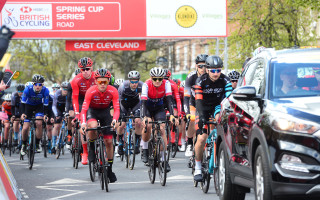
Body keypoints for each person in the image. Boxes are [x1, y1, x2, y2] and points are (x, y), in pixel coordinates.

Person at [193, 55, 232, 181]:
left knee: (220, 120)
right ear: (207, 70)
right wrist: (202, 116)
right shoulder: (200, 81)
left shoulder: (225, 80)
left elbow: (229, 100)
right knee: (202, 137)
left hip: (217, 106)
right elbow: (198, 102)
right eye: (213, 71)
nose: (216, 73)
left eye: (218, 70)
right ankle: (198, 166)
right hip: (203, 107)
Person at [80, 68, 120, 183]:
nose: (102, 84)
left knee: (108, 141)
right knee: (92, 126)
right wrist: (83, 123)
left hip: (105, 113)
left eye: (105, 82)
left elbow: (117, 109)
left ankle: (110, 169)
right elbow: (84, 110)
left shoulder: (113, 91)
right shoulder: (90, 91)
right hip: (92, 112)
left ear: (108, 81)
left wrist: (115, 120)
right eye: (100, 82)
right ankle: (92, 147)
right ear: (96, 81)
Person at [140, 67, 178, 172]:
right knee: (148, 125)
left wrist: (171, 115)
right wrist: (143, 117)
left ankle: (163, 160)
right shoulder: (146, 85)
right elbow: (143, 103)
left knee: (162, 129)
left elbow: (170, 100)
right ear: (151, 78)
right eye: (155, 79)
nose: (157, 81)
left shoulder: (166, 84)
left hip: (159, 108)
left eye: (160, 79)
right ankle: (145, 148)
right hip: (147, 108)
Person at [71, 57, 96, 165]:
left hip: (94, 99)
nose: (85, 71)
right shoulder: (76, 80)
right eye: (83, 69)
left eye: (87, 69)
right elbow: (75, 98)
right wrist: (77, 114)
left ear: (92, 68)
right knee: (83, 125)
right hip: (82, 100)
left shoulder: (97, 77)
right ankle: (85, 152)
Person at [184, 54, 208, 158]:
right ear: (196, 66)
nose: (203, 69)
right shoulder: (191, 77)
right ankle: (189, 143)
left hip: (206, 103)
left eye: (206, 66)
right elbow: (186, 97)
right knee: (192, 119)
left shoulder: (211, 76)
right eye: (200, 66)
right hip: (193, 103)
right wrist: (187, 113)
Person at [20, 74, 49, 156]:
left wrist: (45, 115)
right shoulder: (27, 90)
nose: (38, 86)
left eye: (40, 84)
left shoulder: (45, 91)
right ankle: (24, 144)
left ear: (42, 85)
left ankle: (37, 143)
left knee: (39, 123)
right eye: (36, 84)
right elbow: (22, 103)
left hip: (38, 107)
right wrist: (22, 113)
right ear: (33, 84)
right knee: (25, 127)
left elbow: (46, 105)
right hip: (28, 106)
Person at [116, 71, 143, 155]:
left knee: (138, 122)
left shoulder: (142, 86)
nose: (134, 84)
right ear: (129, 81)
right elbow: (117, 100)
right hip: (124, 104)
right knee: (122, 124)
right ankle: (120, 143)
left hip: (135, 104)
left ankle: (137, 143)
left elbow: (144, 100)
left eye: (136, 81)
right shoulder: (123, 86)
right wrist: (119, 112)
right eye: (132, 81)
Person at [65, 68, 81, 148]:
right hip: (73, 102)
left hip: (83, 102)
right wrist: (68, 110)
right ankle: (69, 134)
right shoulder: (71, 84)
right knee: (70, 117)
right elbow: (68, 99)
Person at [51, 82, 68, 154]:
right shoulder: (57, 93)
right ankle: (54, 144)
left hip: (65, 108)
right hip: (58, 108)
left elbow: (71, 105)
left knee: (66, 124)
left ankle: (64, 139)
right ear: (61, 88)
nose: (65, 90)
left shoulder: (69, 94)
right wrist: (56, 114)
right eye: (64, 88)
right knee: (57, 125)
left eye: (67, 89)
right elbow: (54, 106)